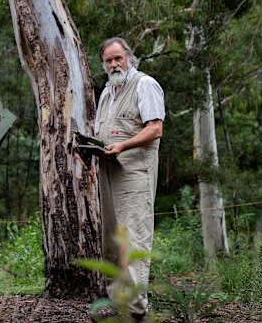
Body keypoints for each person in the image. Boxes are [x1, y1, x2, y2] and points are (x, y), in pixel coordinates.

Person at [94, 37, 165, 321]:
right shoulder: (107, 92)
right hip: (108, 174)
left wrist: (123, 146)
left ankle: (137, 313)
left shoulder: (145, 85)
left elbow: (155, 129)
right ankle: (121, 306)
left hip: (135, 176)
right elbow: (102, 134)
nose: (113, 65)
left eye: (118, 59)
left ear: (130, 58)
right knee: (111, 242)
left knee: (132, 240)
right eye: (108, 61)